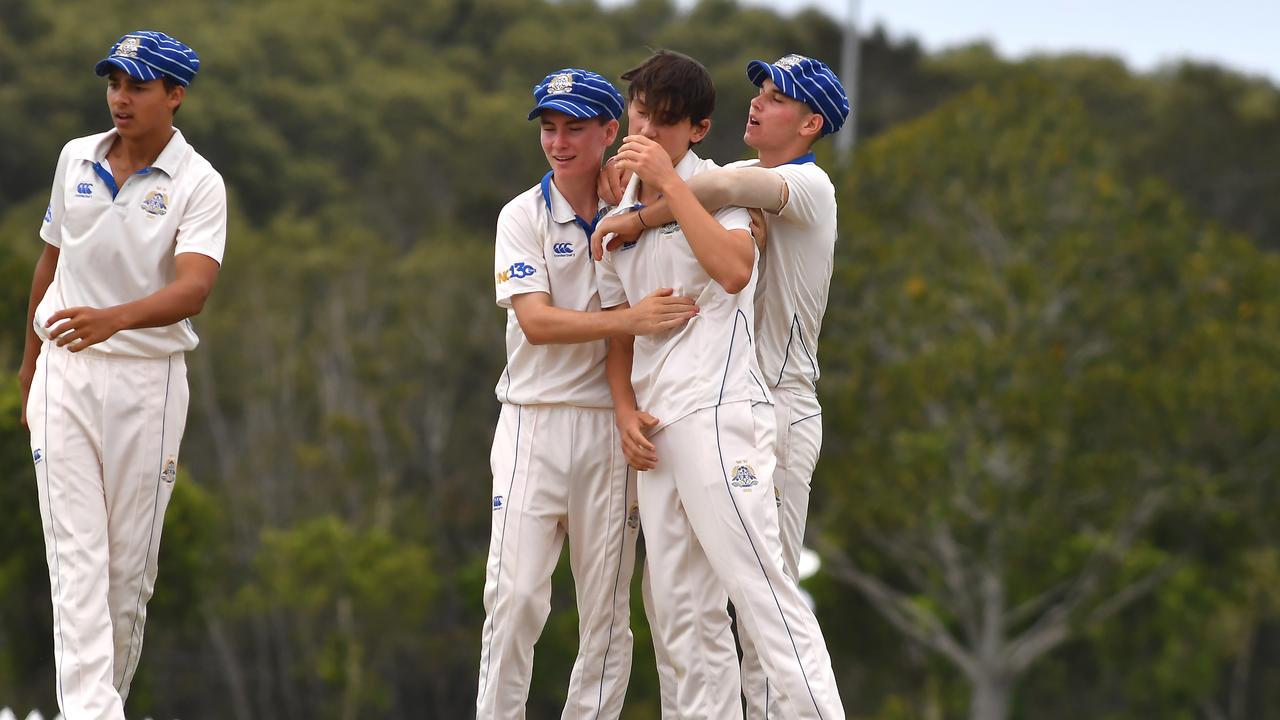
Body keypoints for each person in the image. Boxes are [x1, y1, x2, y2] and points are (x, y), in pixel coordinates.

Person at [592, 53, 850, 719]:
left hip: (771, 404)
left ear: (811, 122)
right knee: (683, 609)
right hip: (701, 408)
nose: (758, 103)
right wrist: (637, 203)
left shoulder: (793, 186)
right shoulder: (737, 186)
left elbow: (715, 206)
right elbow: (698, 196)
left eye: (778, 98)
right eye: (759, 91)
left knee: (766, 597)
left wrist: (645, 203)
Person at [476, 67, 698, 719]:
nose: (559, 143)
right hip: (531, 422)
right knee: (514, 599)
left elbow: (713, 204)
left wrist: (635, 205)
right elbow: (538, 323)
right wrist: (627, 320)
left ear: (611, 131)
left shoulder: (641, 212)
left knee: (604, 613)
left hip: (612, 428)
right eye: (549, 128)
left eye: (576, 129)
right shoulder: (522, 214)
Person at [17, 30, 226, 719]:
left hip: (148, 380)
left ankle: (102, 707)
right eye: (114, 84)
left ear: (175, 95)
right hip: (65, 375)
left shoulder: (199, 183)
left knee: (123, 575)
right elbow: (50, 263)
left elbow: (193, 288)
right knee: (75, 561)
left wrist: (115, 318)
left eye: (137, 86)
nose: (120, 98)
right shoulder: (74, 157)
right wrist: (28, 368)